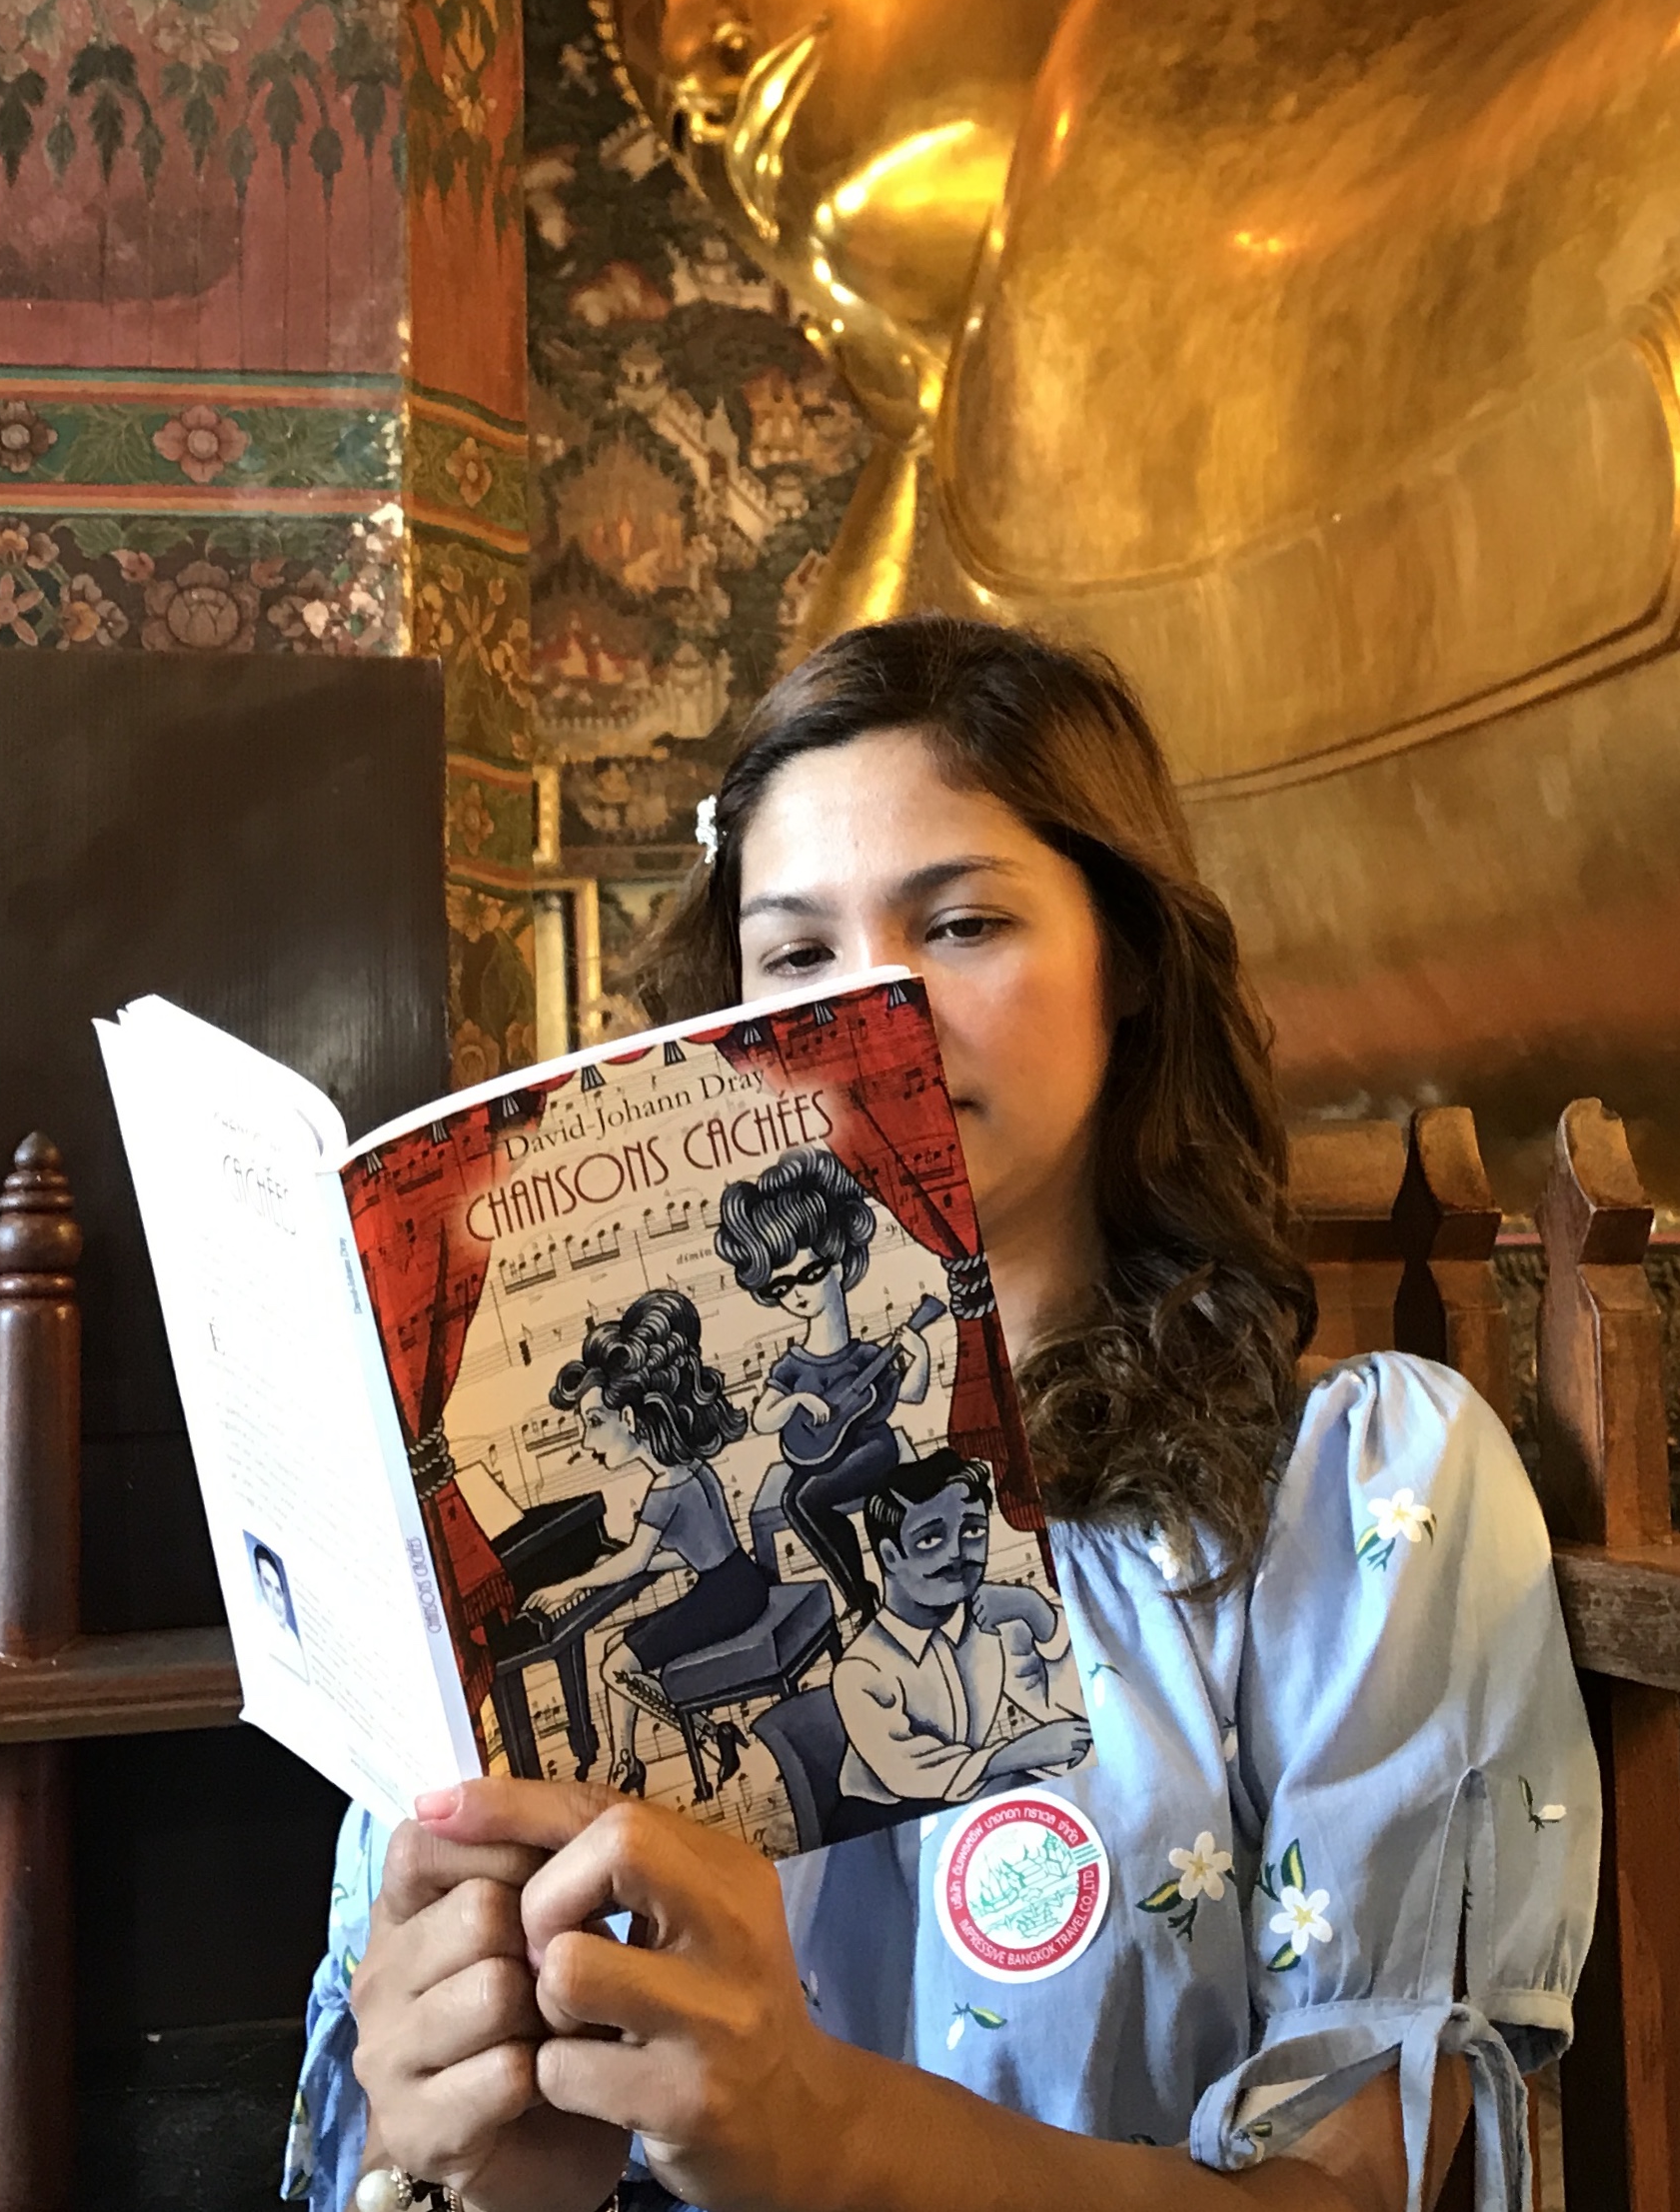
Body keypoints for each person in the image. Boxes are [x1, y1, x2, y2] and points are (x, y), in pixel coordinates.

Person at [290, 617, 1597, 2212]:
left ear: (1126, 963)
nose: (868, 1018)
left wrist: (824, 2135)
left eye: (961, 922)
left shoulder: (1356, 1499)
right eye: (793, 956)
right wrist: (480, 2158)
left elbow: (1341, 2194)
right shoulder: (554, 1545)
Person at [517, 1289, 763, 1795]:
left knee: (615, 1667)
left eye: (593, 1423)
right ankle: (625, 1764)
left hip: (727, 1598)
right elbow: (702, 1548)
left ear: (629, 1419)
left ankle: (715, 1737)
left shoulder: (665, 1488)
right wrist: (640, 1562)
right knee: (615, 1648)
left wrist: (571, 1585)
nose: (586, 1443)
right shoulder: (689, 1468)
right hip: (739, 1581)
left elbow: (634, 1560)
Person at [715, 1144, 934, 1621]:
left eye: (809, 1274)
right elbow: (761, 1417)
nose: (796, 1293)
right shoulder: (793, 1365)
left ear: (836, 1265)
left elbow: (913, 1394)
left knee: (808, 1497)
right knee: (795, 1500)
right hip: (820, 1455)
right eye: (780, 1287)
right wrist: (797, 1400)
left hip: (874, 1450)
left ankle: (869, 1600)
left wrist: (920, 1356)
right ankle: (860, 1596)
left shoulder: (867, 1358)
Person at [826, 1446, 1085, 1811]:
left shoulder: (994, 1621)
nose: (958, 1553)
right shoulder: (862, 1668)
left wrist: (1038, 1614)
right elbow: (908, 1772)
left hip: (970, 1793)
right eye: (931, 1539)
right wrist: (1017, 1754)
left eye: (974, 1531)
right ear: (889, 1556)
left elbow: (1083, 1709)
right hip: (882, 1818)